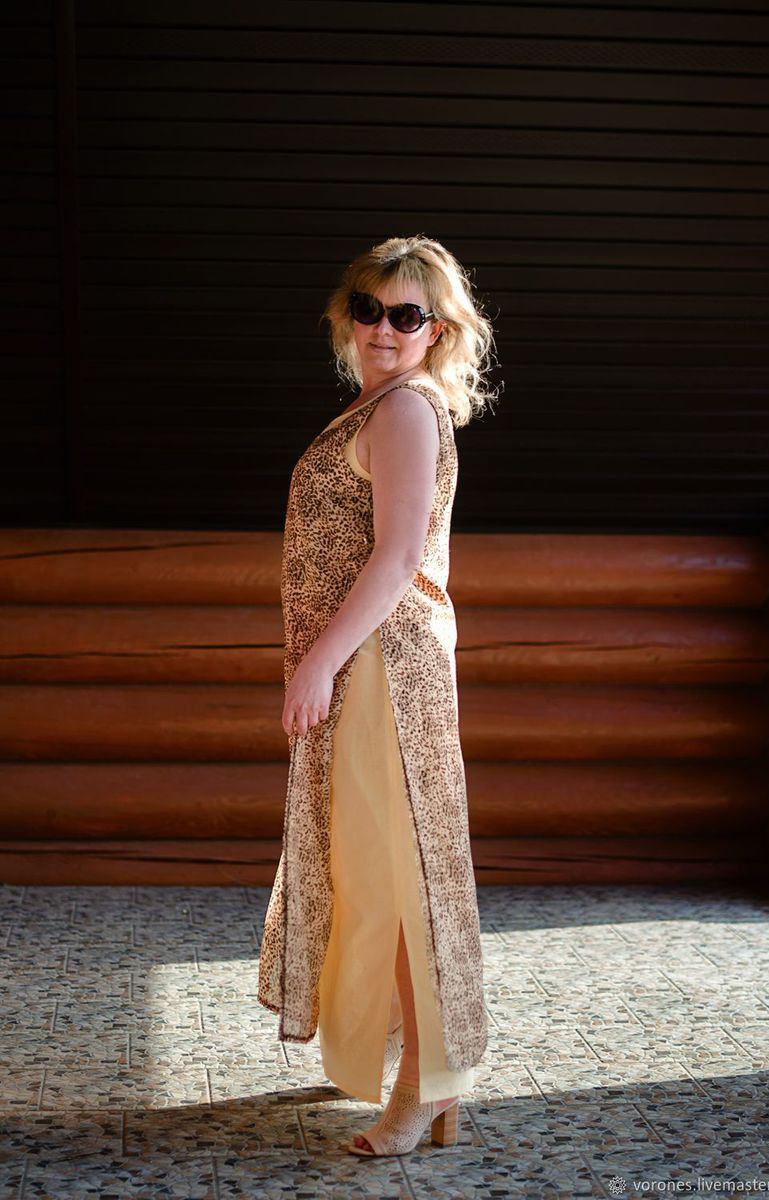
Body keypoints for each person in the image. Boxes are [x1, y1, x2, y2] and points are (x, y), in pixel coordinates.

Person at [257, 234, 499, 1157]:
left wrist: (319, 664)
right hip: (369, 667)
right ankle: (417, 1069)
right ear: (345, 315)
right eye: (368, 309)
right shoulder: (379, 405)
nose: (382, 328)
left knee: (400, 882)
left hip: (382, 671)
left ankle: (426, 1086)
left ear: (437, 330)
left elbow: (397, 560)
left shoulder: (403, 410)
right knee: (372, 874)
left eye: (406, 314)